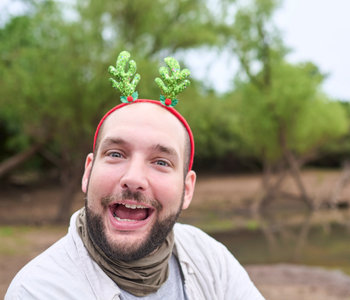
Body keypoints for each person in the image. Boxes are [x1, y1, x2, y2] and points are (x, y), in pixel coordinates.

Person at [6, 52, 264, 299]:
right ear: (88, 172)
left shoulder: (210, 259)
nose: (134, 178)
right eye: (116, 154)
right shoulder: (38, 291)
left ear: (187, 190)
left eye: (161, 162)